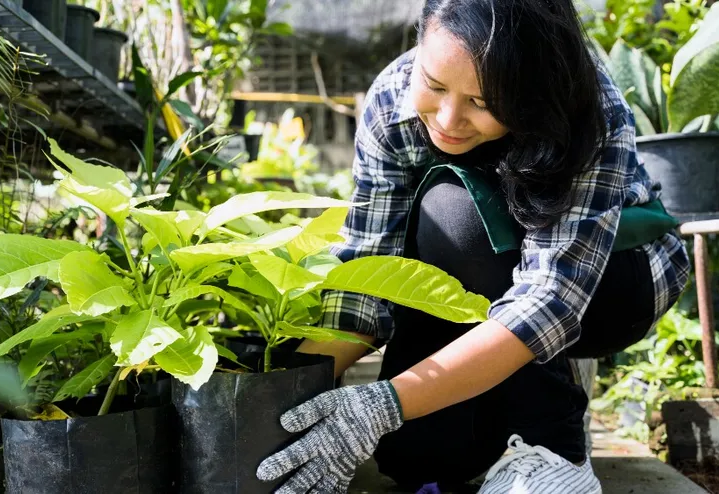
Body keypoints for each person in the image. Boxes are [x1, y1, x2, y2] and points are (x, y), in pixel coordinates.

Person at [256, 0, 690, 492]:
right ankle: (516, 404)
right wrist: (281, 396)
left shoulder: (586, 105)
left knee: (454, 209)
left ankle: (554, 445)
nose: (447, 118)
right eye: (434, 85)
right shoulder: (390, 103)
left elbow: (549, 301)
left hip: (612, 282)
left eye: (483, 103)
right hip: (473, 284)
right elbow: (367, 274)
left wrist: (383, 402)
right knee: (414, 457)